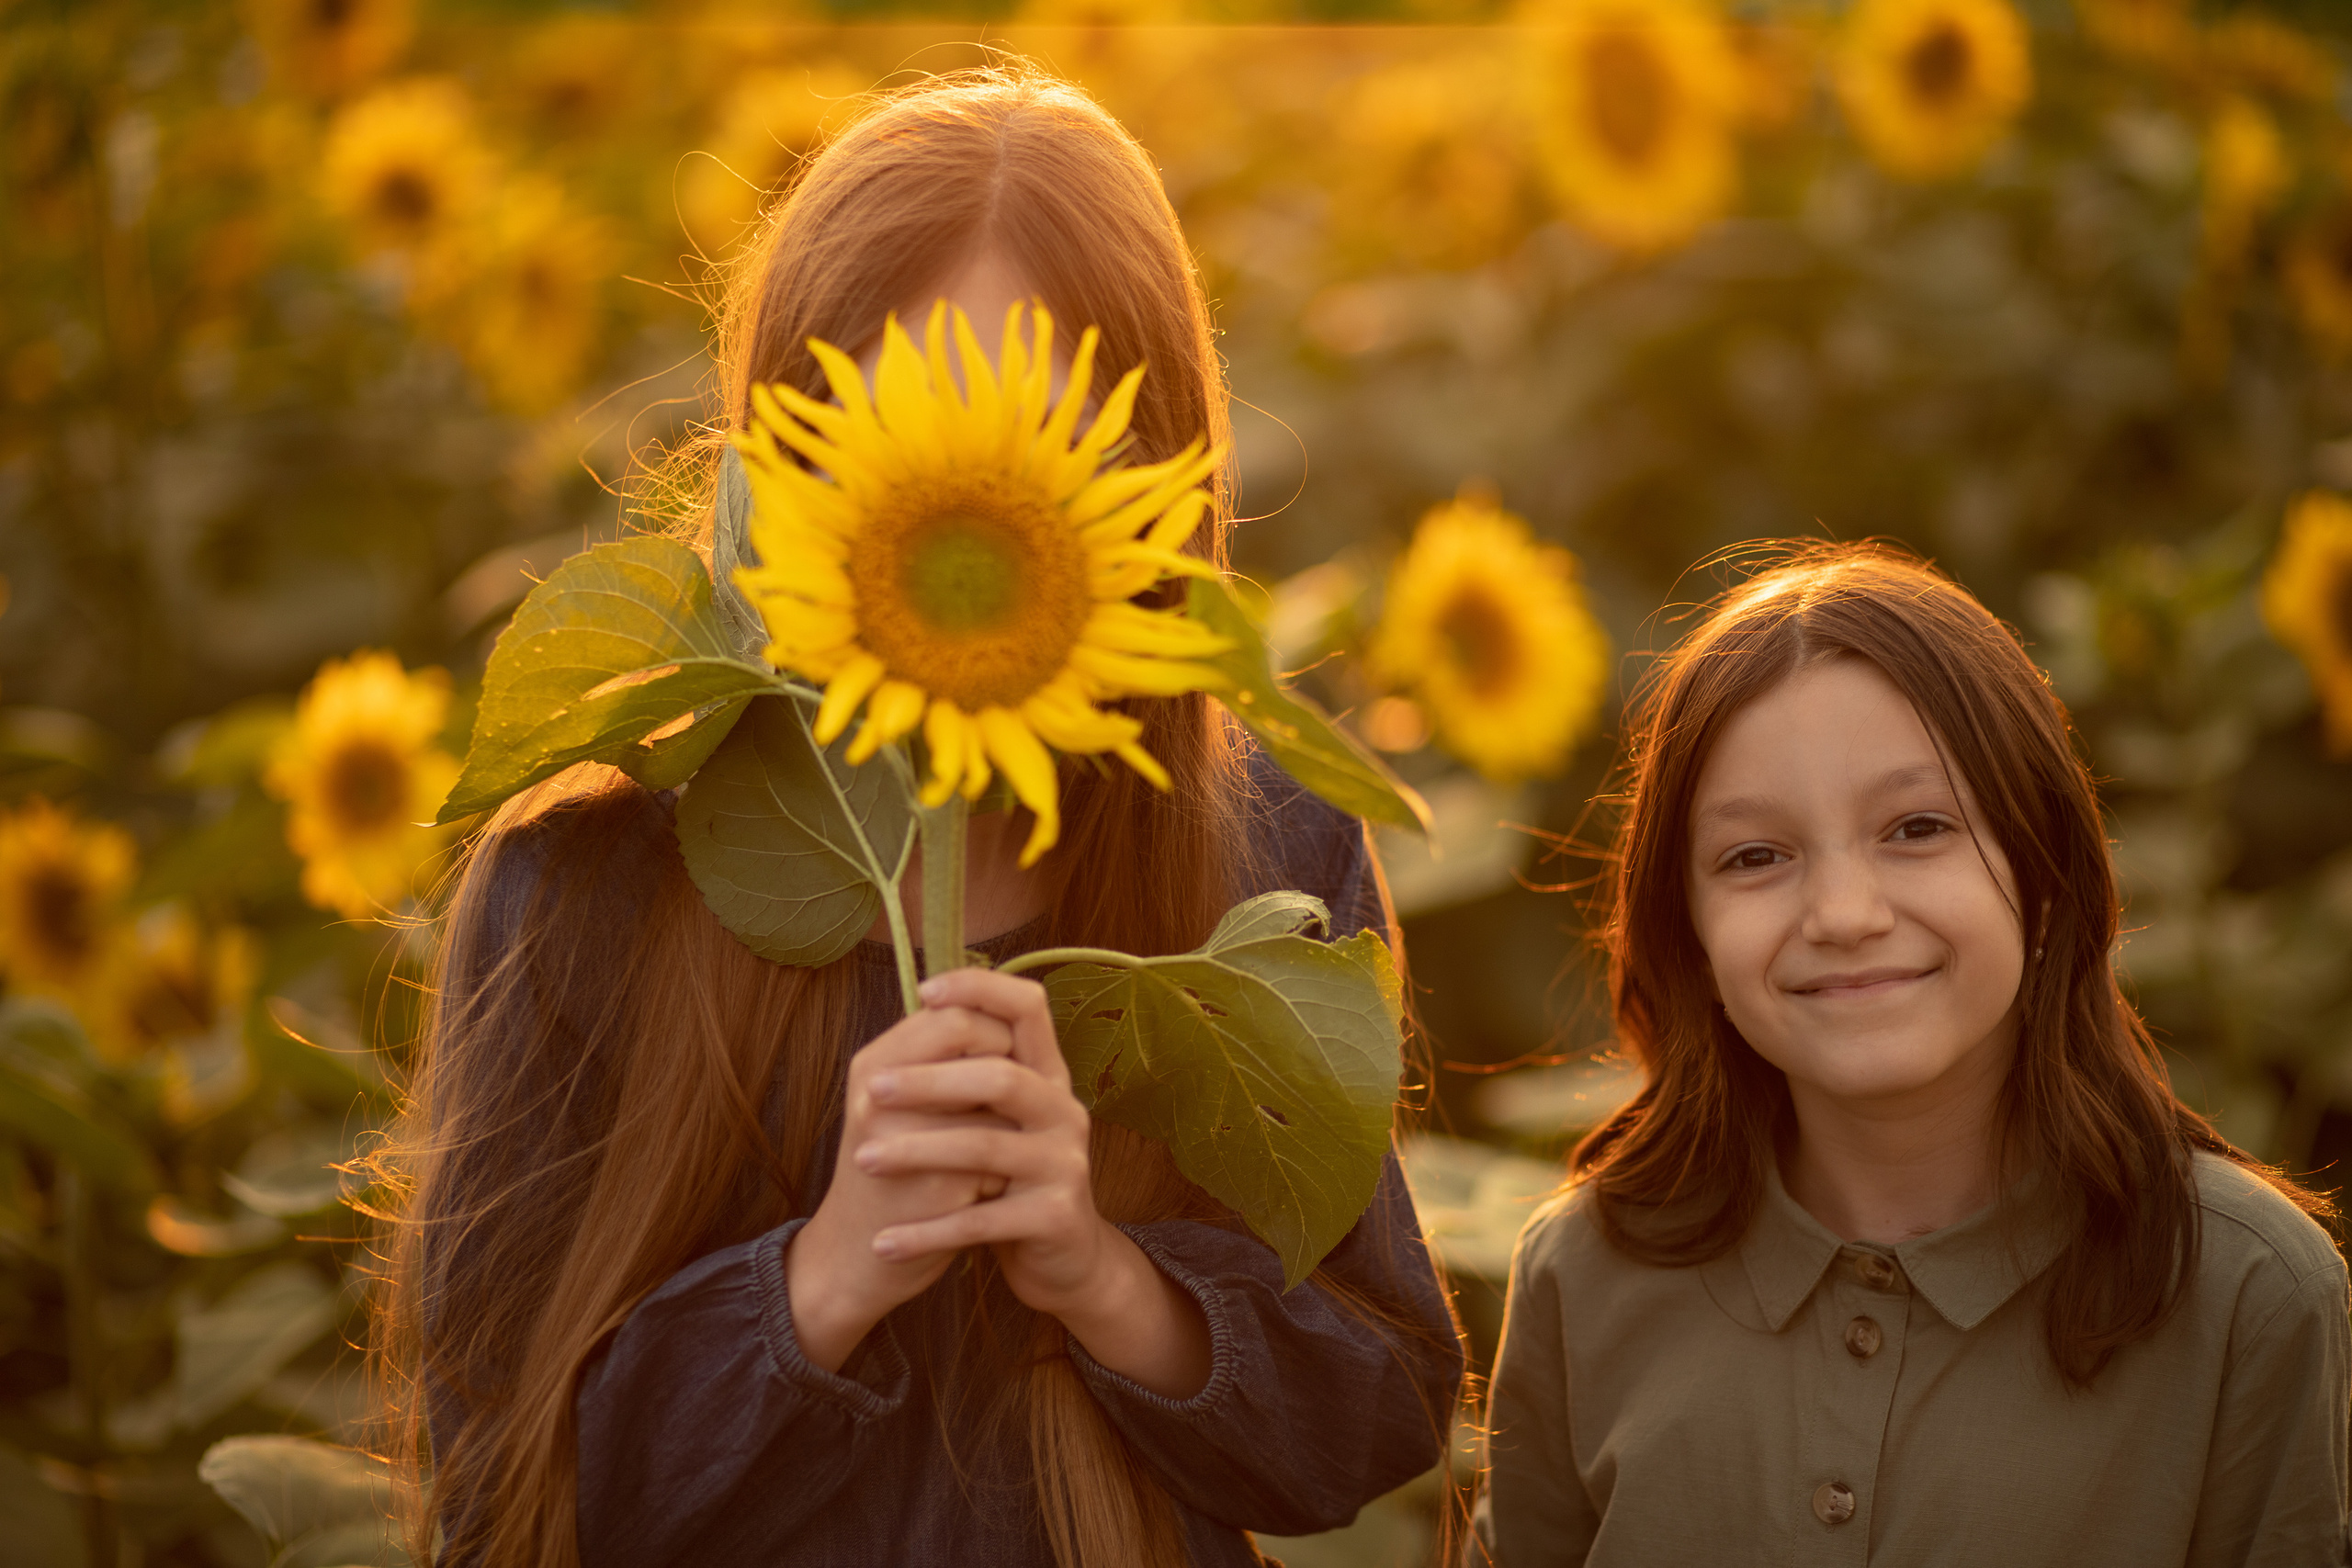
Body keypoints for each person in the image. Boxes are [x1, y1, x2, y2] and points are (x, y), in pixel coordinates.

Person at [370, 67, 1462, 1568]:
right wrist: (821, 1274)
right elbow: (500, 1503)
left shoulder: (1257, 845)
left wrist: (1102, 1276)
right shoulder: (590, 883)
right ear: (782, 452)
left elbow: (1379, 1400)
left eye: (1033, 436)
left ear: (1145, 471)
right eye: (890, 430)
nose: (962, 492)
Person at [1479, 543, 2349, 1567]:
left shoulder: (2251, 1294)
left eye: (1917, 827)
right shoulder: (1579, 1277)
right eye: (1754, 856)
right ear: (1691, 933)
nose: (1844, 915)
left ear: (2042, 877)